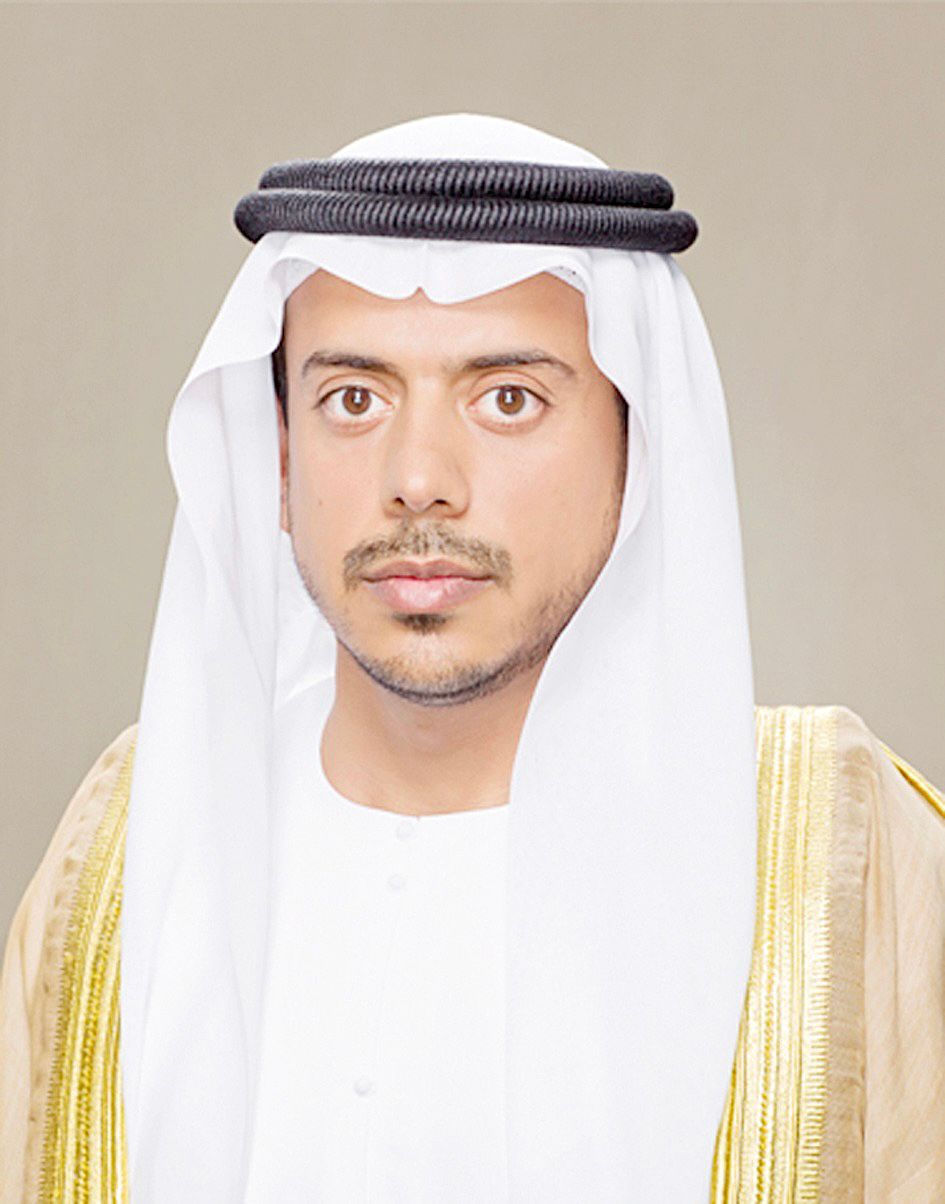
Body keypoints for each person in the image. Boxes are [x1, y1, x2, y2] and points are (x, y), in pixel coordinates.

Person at [2, 113, 943, 1204]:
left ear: (639, 450)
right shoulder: (130, 845)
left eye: (508, 400)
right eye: (353, 399)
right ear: (278, 457)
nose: (419, 479)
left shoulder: (837, 851)